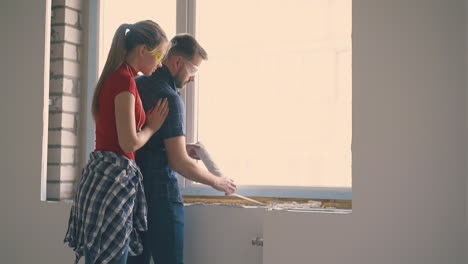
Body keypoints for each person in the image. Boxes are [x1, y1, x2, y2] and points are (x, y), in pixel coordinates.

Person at [64, 20, 170, 264]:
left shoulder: (118, 77)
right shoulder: (124, 81)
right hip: (112, 181)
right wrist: (152, 127)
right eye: (158, 55)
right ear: (143, 50)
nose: (160, 62)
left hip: (104, 177)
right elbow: (128, 144)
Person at [126, 34, 237, 264]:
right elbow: (179, 163)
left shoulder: (135, 85)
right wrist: (219, 182)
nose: (193, 79)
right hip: (160, 200)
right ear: (177, 62)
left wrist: (177, 144)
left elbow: (135, 141)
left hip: (132, 199)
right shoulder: (170, 97)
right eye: (193, 70)